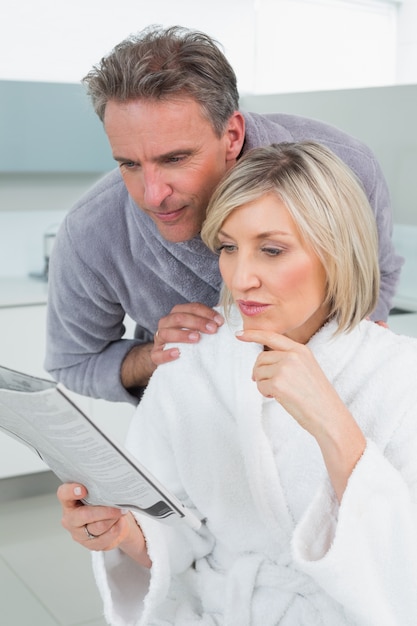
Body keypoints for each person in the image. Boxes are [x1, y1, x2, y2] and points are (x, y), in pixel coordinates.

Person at [58, 142, 417, 625]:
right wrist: (123, 533)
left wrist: (334, 425)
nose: (240, 276)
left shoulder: (398, 375)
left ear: (337, 252)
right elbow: (174, 526)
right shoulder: (193, 361)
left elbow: (402, 574)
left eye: (271, 250)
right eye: (228, 247)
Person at [45, 25, 403, 405]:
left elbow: (376, 272)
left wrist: (348, 349)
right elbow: (74, 363)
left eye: (176, 158)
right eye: (129, 164)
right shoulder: (93, 230)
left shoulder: (344, 168)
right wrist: (154, 357)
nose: (152, 195)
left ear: (231, 136)